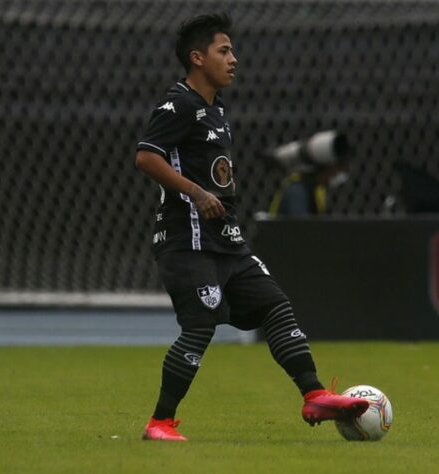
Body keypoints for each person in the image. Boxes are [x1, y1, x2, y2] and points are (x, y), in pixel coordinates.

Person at [134, 12, 368, 442]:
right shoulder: (179, 104)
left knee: (275, 306)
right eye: (224, 51)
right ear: (197, 58)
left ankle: (314, 394)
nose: (234, 59)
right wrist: (197, 192)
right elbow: (146, 157)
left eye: (232, 50)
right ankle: (159, 423)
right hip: (188, 241)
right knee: (200, 325)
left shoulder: (217, 109)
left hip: (226, 240)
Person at [269, 163, 348, 217]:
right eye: (336, 169)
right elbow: (302, 228)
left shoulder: (316, 190)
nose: (336, 174)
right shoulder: (297, 191)